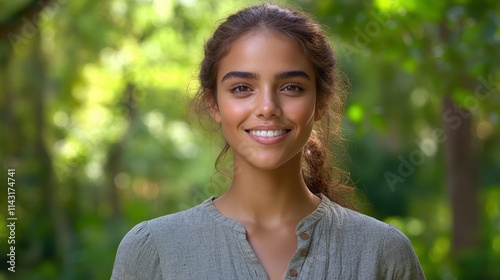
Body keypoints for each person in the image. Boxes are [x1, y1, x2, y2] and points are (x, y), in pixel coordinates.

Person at [111, 3, 425, 279]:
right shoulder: (155, 251)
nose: (267, 108)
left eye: (291, 87)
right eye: (241, 88)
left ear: (321, 101)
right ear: (213, 103)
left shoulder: (382, 253)